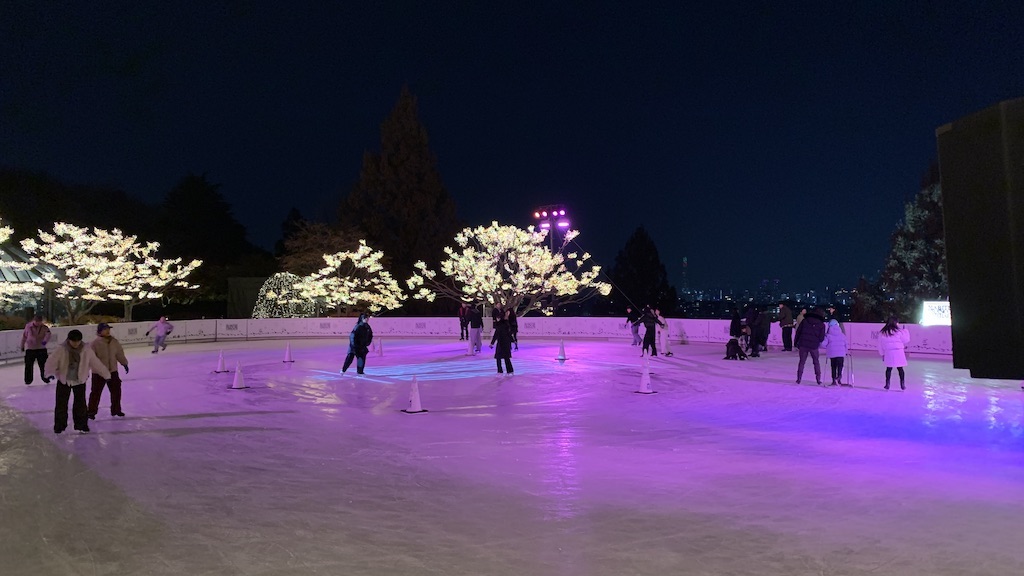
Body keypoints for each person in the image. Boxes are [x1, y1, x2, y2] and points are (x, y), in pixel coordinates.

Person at [44, 329, 111, 434]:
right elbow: (52, 361)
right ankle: (59, 426)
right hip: (64, 380)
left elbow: (95, 363)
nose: (76, 343)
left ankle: (81, 425)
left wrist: (106, 374)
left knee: (80, 404)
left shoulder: (86, 349)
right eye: (73, 341)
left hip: (79, 380)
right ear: (69, 340)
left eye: (78, 341)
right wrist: (49, 373)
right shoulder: (61, 349)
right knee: (61, 404)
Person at [88, 323, 130, 418]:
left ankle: (116, 410)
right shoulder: (94, 343)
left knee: (116, 391)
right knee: (95, 393)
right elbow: (90, 359)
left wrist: (124, 363)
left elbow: (119, 353)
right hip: (99, 373)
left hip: (113, 371)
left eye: (108, 329)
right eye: (105, 329)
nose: (107, 331)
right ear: (99, 331)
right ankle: (91, 411)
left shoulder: (114, 341)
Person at [793, 307, 826, 385]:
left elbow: (798, 332)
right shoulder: (821, 324)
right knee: (816, 362)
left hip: (803, 344)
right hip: (814, 346)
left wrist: (796, 343)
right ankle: (818, 379)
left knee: (802, 362)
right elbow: (821, 338)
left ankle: (799, 379)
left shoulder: (804, 321)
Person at [877, 316, 911, 390]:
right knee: (900, 368)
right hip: (898, 351)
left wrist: (882, 354)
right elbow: (906, 340)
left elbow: (880, 344)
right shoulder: (899, 331)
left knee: (889, 368)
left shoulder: (883, 332)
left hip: (889, 352)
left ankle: (887, 383)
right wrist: (906, 331)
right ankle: (902, 383)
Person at [21, 314, 53, 385]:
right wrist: (22, 345)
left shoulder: (44, 327)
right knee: (28, 365)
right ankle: (28, 380)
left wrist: (44, 342)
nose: (38, 323)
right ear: (34, 321)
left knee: (44, 365)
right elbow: (24, 336)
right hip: (30, 348)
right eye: (37, 321)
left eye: (40, 321)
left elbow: (48, 335)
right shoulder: (28, 327)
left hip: (41, 349)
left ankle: (46, 378)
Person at [822, 319, 849, 386]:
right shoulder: (842, 335)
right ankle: (839, 378)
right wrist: (845, 351)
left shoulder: (828, 335)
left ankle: (834, 380)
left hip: (832, 353)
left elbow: (823, 344)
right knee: (840, 366)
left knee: (833, 366)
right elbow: (846, 344)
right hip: (841, 354)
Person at [490, 309, 514, 374]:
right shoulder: (506, 324)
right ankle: (510, 370)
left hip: (501, 343)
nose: (496, 319)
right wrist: (512, 341)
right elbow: (509, 334)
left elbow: (496, 335)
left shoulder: (499, 325)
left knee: (498, 357)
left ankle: (500, 370)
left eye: (498, 318)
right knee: (506, 357)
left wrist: (492, 343)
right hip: (506, 343)